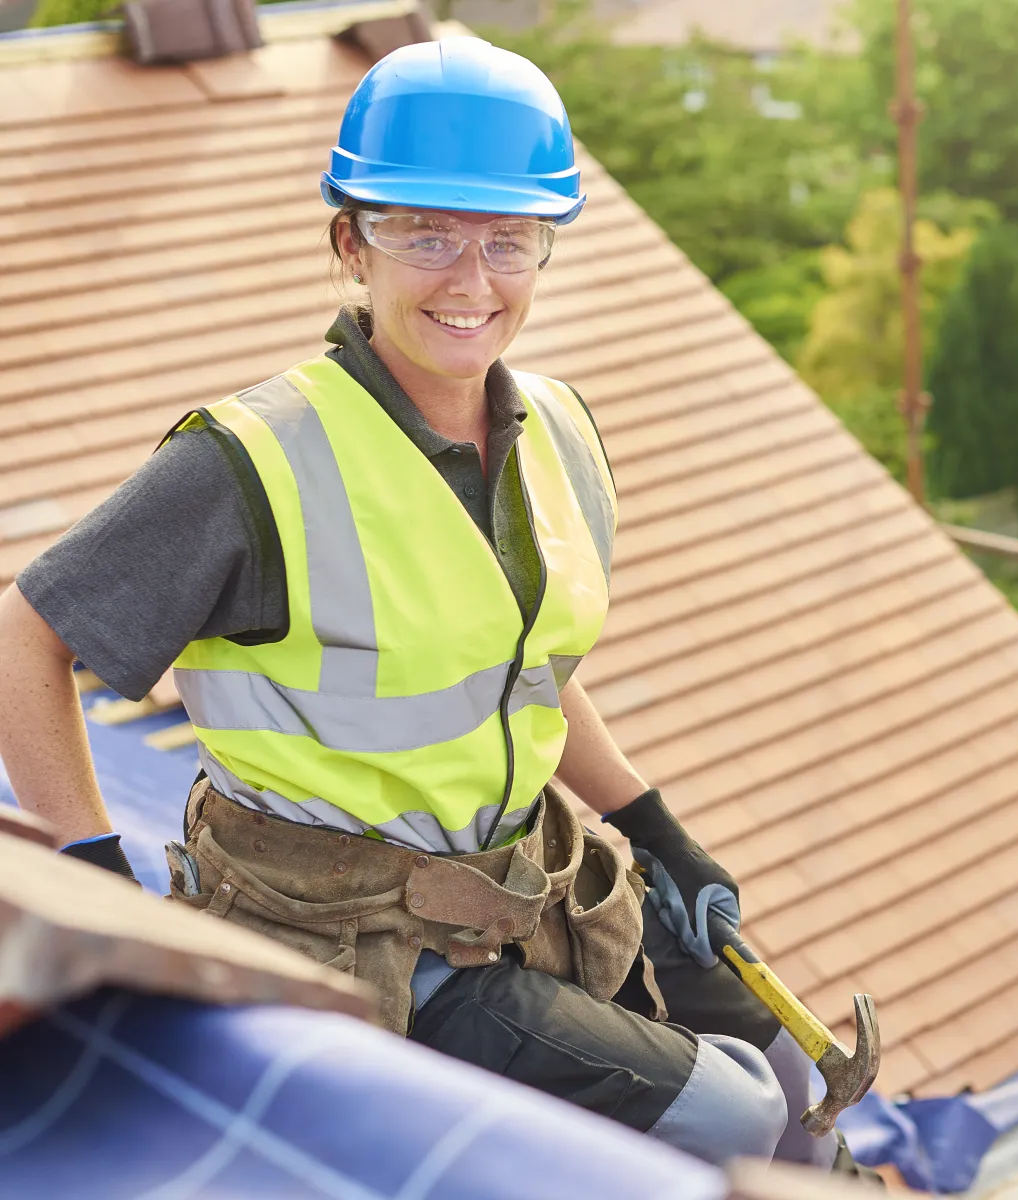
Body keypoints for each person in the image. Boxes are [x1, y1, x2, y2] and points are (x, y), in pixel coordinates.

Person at [0, 37, 874, 1180]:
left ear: (544, 249)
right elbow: (27, 634)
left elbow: (528, 669)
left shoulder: (554, 429)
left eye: (506, 239)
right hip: (357, 931)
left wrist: (651, 825)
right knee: (735, 1116)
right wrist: (95, 864)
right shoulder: (253, 462)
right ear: (349, 242)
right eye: (424, 234)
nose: (469, 280)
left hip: (526, 881)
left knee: (798, 1081)